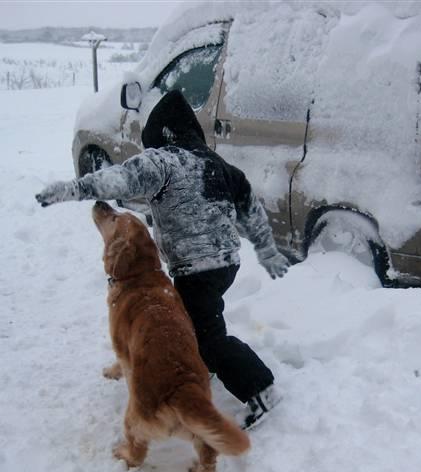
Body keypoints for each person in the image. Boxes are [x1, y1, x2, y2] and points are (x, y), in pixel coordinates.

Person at [36, 90, 289, 429]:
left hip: (196, 266)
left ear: (161, 135)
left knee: (207, 336)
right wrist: (266, 247)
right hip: (227, 263)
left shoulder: (162, 160)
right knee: (197, 319)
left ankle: (260, 389)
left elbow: (119, 179)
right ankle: (203, 364)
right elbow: (250, 207)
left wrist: (73, 189)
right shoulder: (217, 164)